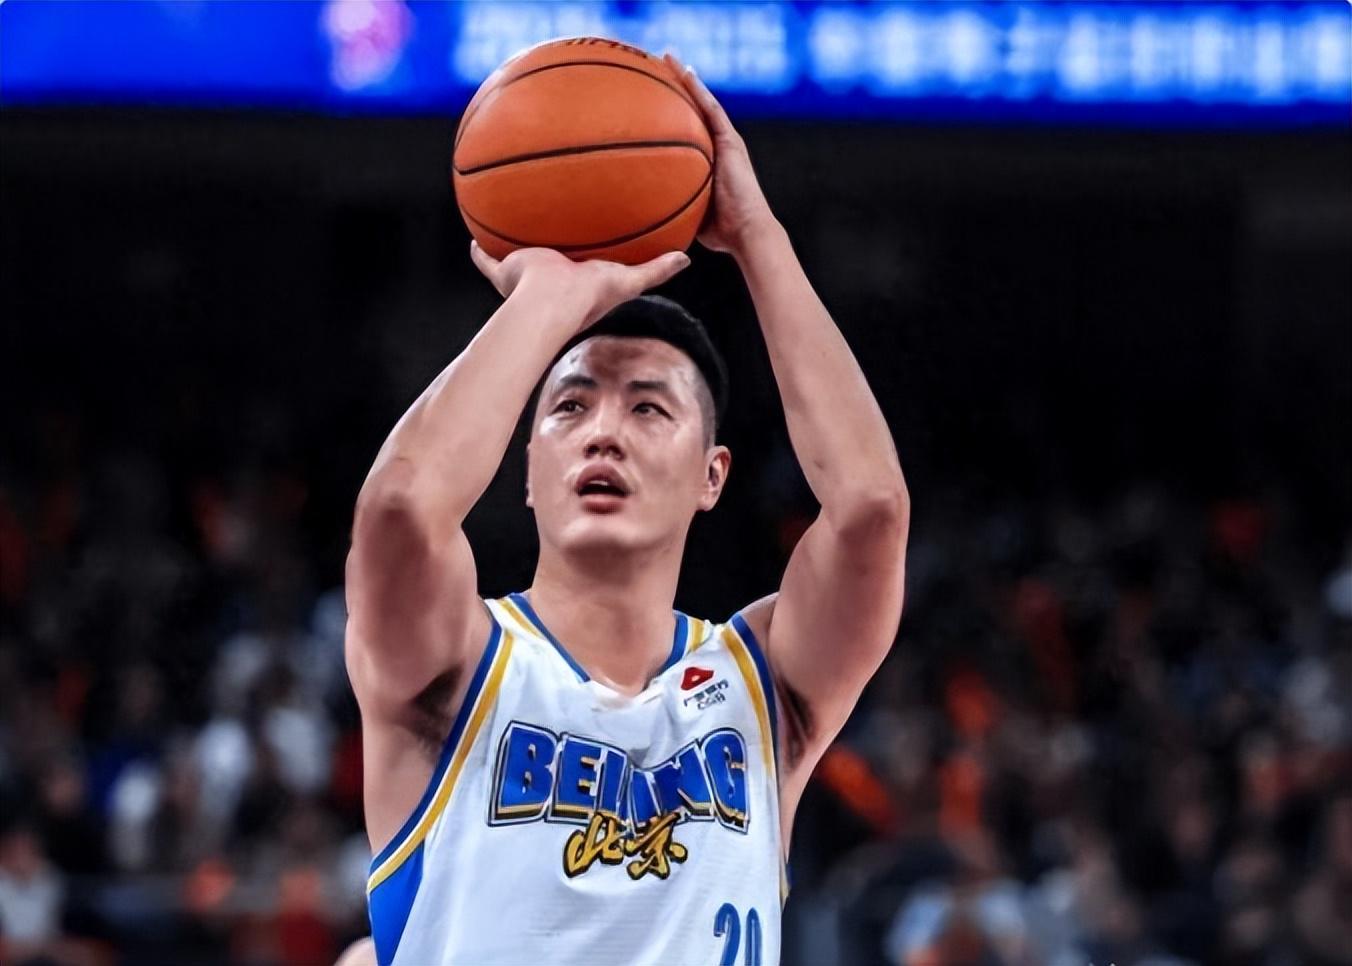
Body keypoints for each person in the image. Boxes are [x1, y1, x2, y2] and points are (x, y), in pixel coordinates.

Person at [345, 54, 910, 964]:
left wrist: (756, 236)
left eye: (649, 408)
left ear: (712, 476)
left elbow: (871, 508)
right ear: (527, 469)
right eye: (570, 407)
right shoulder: (455, 663)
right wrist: (546, 303)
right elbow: (401, 511)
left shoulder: (764, 684)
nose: (604, 432)